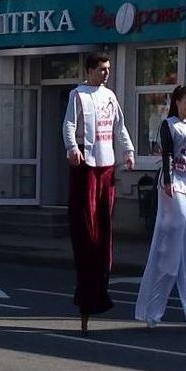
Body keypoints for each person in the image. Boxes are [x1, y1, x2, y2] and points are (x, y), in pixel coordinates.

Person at [133, 86, 186, 332]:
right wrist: (169, 180)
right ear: (177, 102)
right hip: (173, 186)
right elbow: (168, 154)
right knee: (175, 233)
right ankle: (153, 311)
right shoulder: (170, 125)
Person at [62, 53, 136, 333]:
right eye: (102, 69)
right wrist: (72, 148)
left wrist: (128, 150)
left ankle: (101, 277)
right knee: (86, 227)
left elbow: (119, 126)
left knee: (103, 228)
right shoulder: (78, 95)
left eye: (108, 69)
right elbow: (69, 124)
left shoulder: (109, 96)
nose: (106, 73)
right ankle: (88, 280)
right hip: (85, 165)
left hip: (106, 166)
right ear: (90, 70)